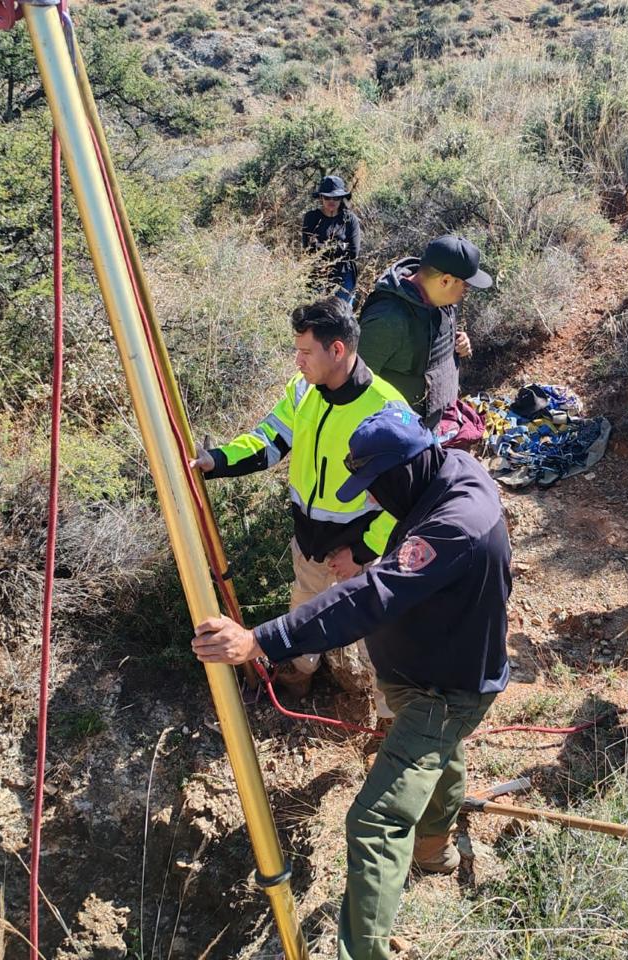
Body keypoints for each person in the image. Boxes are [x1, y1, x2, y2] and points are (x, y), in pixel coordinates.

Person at [192, 407, 511, 960]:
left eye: (375, 486)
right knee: (440, 758)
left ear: (407, 466)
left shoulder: (455, 521)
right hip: (432, 675)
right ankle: (434, 852)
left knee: (376, 820)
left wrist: (259, 640)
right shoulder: (448, 468)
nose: (372, 499)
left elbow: (371, 596)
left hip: (446, 691)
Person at [190, 298, 407, 712]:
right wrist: (215, 460)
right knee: (303, 612)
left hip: (362, 553)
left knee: (378, 637)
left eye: (305, 351)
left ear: (337, 350)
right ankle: (297, 678)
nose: (297, 361)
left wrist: (361, 553)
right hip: (310, 541)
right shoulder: (303, 390)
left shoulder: (385, 408)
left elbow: (407, 499)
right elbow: (269, 442)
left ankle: (390, 722)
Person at [358, 235, 491, 428]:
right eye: (465, 285)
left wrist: (459, 342)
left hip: (439, 424)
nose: (466, 292)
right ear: (445, 280)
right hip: (403, 435)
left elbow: (428, 339)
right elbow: (358, 384)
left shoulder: (439, 298)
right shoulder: (387, 319)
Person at [302, 175, 362, 305]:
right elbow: (308, 250)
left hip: (344, 275)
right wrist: (341, 246)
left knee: (342, 316)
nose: (332, 201)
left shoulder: (350, 219)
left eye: (336, 197)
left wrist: (322, 246)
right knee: (317, 314)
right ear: (321, 197)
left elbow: (354, 252)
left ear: (341, 198)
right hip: (317, 275)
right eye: (327, 197)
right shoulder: (311, 218)